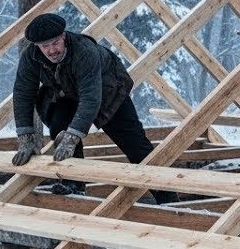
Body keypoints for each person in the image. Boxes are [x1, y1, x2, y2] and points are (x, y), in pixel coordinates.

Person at [10, 13, 178, 204]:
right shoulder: (30, 57)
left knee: (135, 145)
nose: (52, 50)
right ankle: (73, 185)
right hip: (68, 94)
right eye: (45, 46)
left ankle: (168, 198)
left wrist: (72, 138)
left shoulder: (84, 51)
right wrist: (25, 139)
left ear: (64, 36)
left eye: (55, 43)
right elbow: (22, 94)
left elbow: (91, 98)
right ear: (37, 46)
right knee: (59, 127)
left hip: (109, 92)